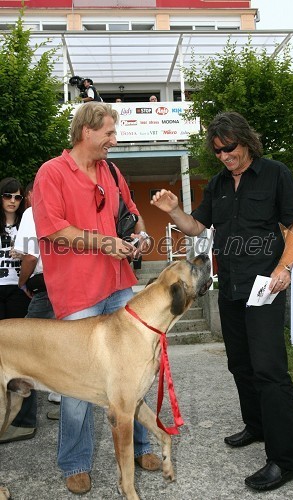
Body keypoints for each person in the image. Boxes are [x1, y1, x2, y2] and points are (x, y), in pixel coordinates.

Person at [151, 111, 293, 492]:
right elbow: (197, 227)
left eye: (229, 147)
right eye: (218, 150)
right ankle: (256, 426)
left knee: (270, 370)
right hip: (231, 288)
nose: (224, 155)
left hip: (265, 288)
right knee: (240, 364)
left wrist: (284, 268)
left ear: (245, 141)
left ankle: (284, 460)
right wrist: (173, 210)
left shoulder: (275, 173)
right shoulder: (218, 183)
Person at [32, 102, 160, 495]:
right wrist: (104, 242)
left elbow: (133, 215)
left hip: (119, 285)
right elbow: (53, 230)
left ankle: (141, 446)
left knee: (135, 375)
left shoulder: (112, 171)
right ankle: (74, 462)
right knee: (76, 385)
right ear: (85, 131)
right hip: (77, 294)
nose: (113, 140)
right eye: (108, 132)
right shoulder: (51, 172)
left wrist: (142, 238)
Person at [0, 181, 58, 445]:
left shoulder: (32, 213)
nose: (16, 200)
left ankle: (23, 421)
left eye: (19, 196)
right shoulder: (60, 208)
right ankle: (69, 408)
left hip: (42, 288)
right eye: (8, 196)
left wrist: (23, 282)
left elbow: (31, 257)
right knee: (63, 349)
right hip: (65, 286)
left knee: (24, 354)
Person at [0, 177, 30, 320]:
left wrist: (23, 256)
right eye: (7, 196)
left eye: (17, 197)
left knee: (16, 336)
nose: (12, 201)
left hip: (19, 287)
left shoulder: (27, 224)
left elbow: (36, 256)